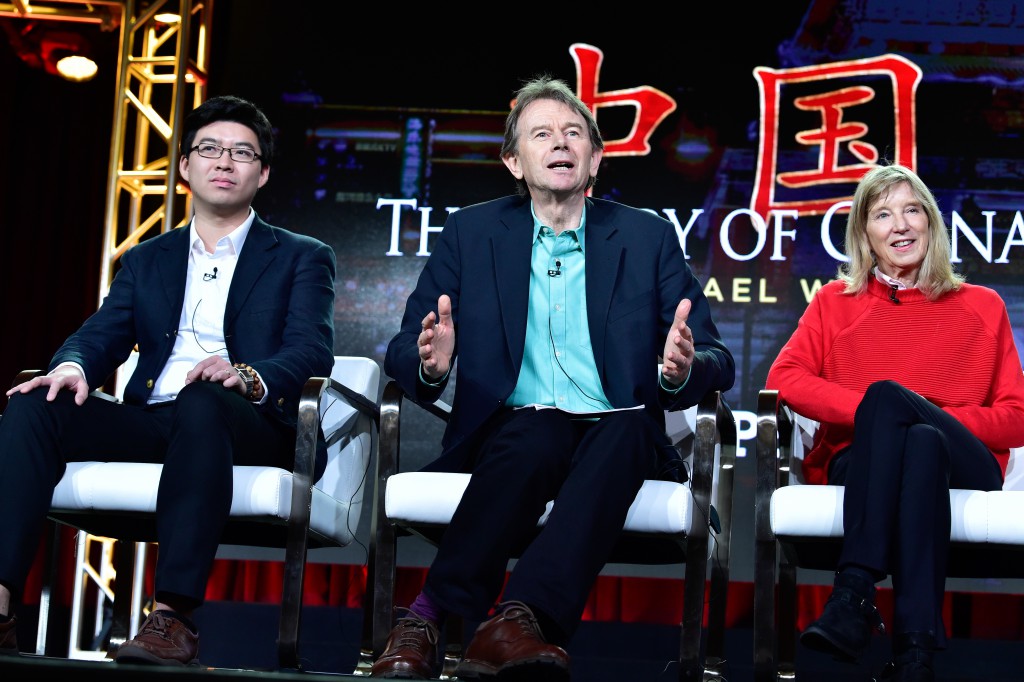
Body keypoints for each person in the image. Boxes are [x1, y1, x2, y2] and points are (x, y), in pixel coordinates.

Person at [369, 75, 735, 680]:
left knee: (625, 429)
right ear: (515, 161)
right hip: (513, 433)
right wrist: (430, 363)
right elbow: (406, 346)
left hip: (614, 437)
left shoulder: (643, 235)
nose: (560, 143)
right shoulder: (472, 232)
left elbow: (716, 355)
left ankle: (503, 619)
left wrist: (682, 370)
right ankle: (444, 618)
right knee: (533, 434)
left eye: (573, 134)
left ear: (596, 157)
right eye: (542, 134)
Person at [0, 95, 337, 665]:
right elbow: (103, 330)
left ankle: (174, 616)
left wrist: (247, 375)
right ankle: (2, 603)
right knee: (37, 401)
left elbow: (310, 349)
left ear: (263, 173)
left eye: (241, 153)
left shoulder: (302, 256)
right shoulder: (148, 258)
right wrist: (73, 365)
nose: (224, 161)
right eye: (209, 149)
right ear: (184, 166)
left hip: (250, 422)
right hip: (157, 420)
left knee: (203, 399)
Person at [766, 164, 1024, 682]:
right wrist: (887, 414)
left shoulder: (982, 305)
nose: (900, 225)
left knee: (911, 416)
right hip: (861, 461)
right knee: (918, 439)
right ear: (865, 234)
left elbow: (1015, 420)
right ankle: (914, 654)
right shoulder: (834, 303)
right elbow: (785, 378)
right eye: (883, 214)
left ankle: (854, 593)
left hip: (967, 462)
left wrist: (918, 407)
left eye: (912, 210)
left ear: (931, 222)